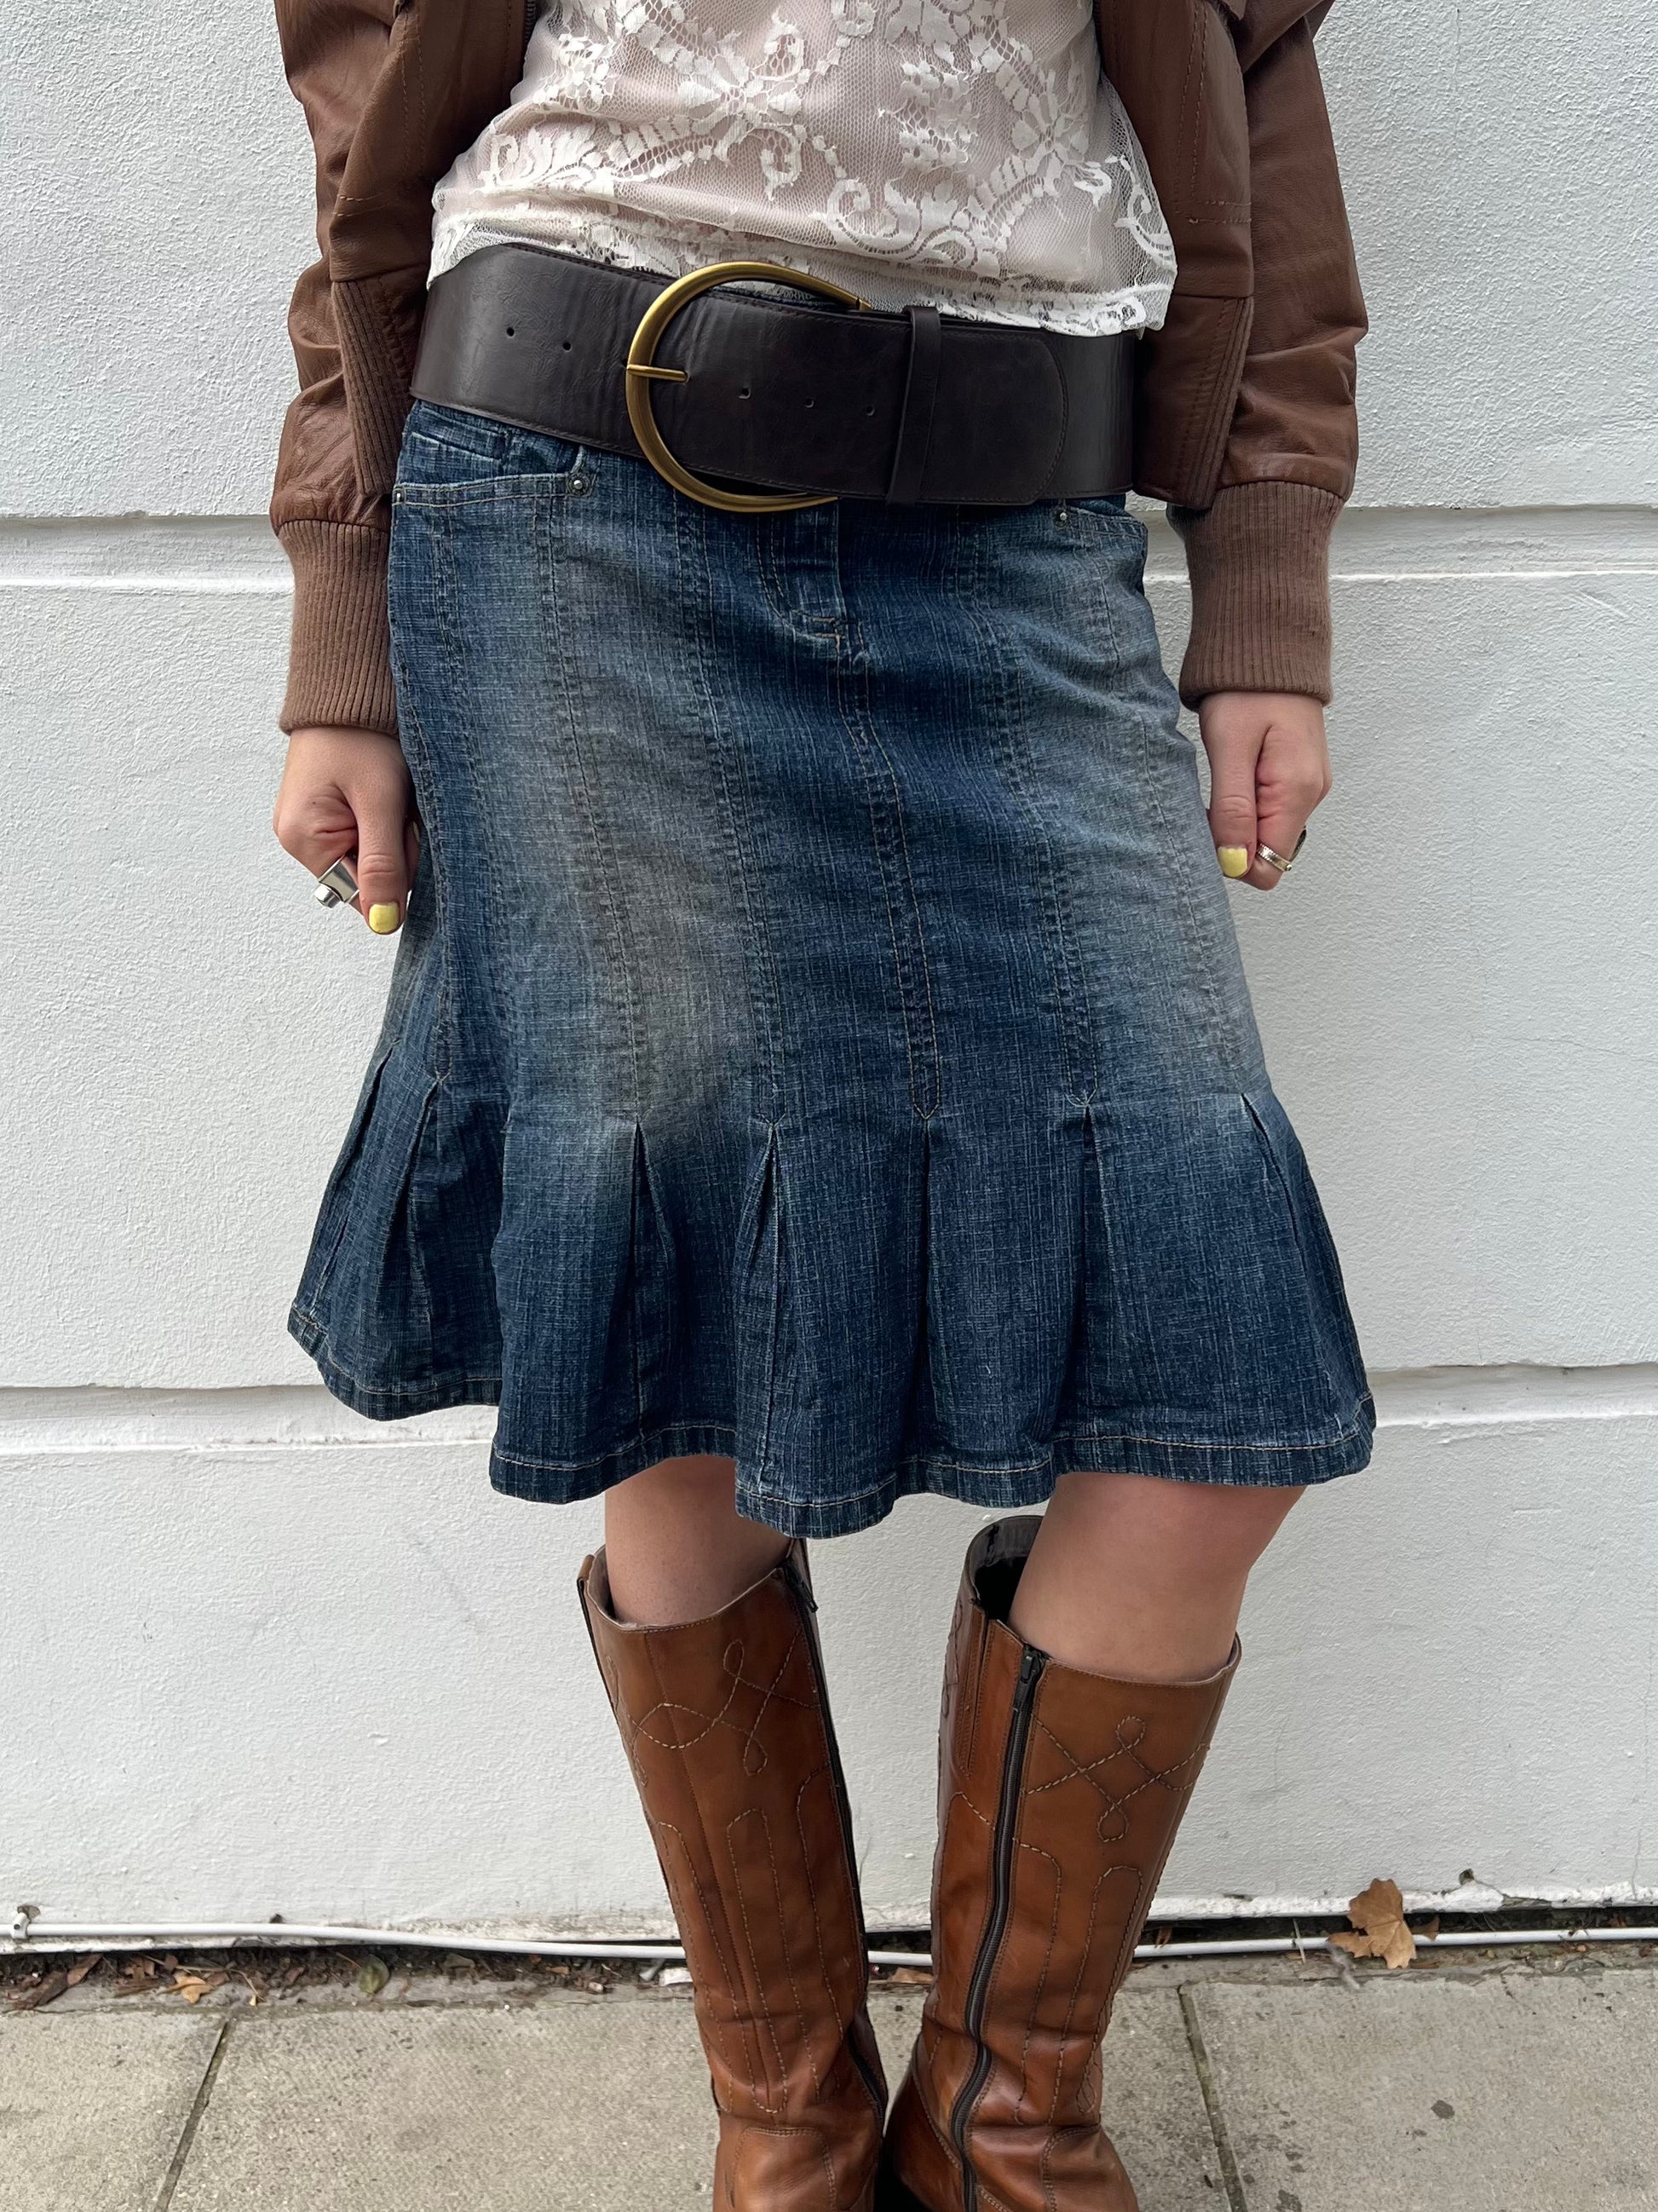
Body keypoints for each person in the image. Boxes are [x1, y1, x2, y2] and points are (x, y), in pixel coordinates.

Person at [268, 1, 1372, 2204]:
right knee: (672, 1324)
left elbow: (1256, 82)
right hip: (564, 495)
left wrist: (1261, 579)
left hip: (1023, 522)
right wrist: (342, 615)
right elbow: (366, 107)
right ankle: (787, 2128)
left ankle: (998, 2127)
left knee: (1203, 1378)